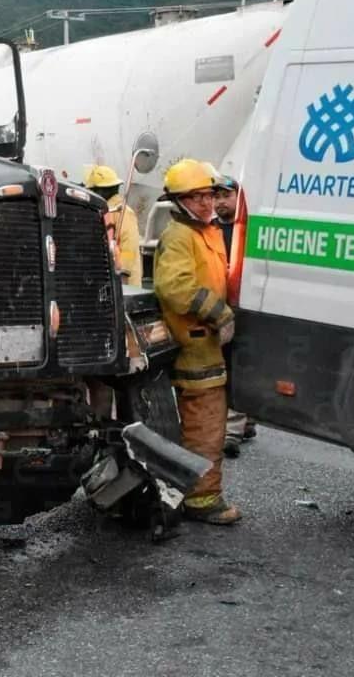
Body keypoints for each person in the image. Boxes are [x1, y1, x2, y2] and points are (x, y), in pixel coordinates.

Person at [153, 158, 240, 525]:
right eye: (197, 197)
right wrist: (219, 313)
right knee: (205, 427)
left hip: (209, 348)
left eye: (210, 194)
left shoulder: (207, 232)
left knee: (210, 425)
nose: (206, 203)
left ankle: (196, 491)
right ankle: (202, 499)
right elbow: (175, 287)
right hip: (195, 350)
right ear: (179, 201)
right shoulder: (179, 236)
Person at [213, 174, 257, 458]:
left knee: (243, 367)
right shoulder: (211, 230)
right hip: (221, 308)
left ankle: (239, 426)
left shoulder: (249, 229)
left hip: (246, 306)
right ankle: (235, 428)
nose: (219, 202)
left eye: (225, 196)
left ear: (238, 197)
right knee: (227, 366)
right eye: (216, 197)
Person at [84, 164, 142, 287]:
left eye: (93, 190)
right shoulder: (105, 210)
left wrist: (123, 273)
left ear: (102, 190)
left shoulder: (122, 212)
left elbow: (129, 246)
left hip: (125, 283)